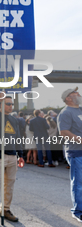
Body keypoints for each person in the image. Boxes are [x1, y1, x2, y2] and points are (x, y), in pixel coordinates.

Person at [0, 93, 24, 227]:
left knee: (10, 185)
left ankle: (6, 210)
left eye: (12, 104)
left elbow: (17, 138)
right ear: (1, 105)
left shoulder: (14, 120)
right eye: (8, 104)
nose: (10, 106)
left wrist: (20, 155)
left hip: (12, 156)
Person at [57, 87, 82, 223]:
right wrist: (80, 140)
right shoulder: (65, 113)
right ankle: (78, 211)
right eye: (75, 93)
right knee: (78, 183)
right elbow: (64, 132)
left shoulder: (80, 110)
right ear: (68, 98)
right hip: (76, 152)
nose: (79, 94)